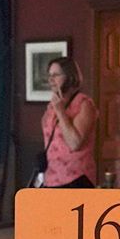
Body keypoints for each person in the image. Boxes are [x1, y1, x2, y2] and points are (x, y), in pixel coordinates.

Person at [41, 56, 96, 188]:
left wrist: (60, 112)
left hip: (77, 179)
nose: (51, 80)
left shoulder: (84, 104)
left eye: (56, 75)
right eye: (49, 75)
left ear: (70, 77)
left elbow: (74, 143)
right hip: (52, 178)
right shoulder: (52, 105)